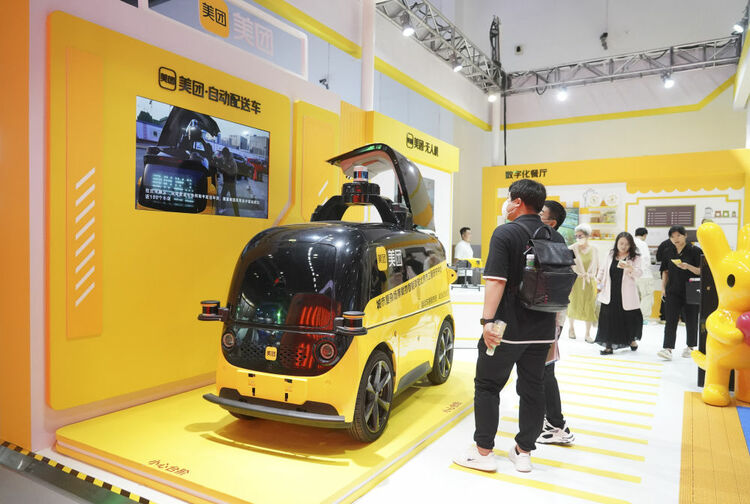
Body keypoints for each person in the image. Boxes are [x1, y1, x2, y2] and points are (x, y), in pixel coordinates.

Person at [453, 179, 563, 474]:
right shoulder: (554, 236)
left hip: (506, 328)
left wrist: (487, 321)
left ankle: (483, 452)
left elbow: (496, 281)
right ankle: (523, 452)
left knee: (488, 386)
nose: (506, 203)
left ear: (518, 202)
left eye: (509, 198)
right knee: (533, 388)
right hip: (542, 329)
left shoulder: (506, 233)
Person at [537, 200, 575, 445]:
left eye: (540, 213)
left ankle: (556, 425)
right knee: (541, 369)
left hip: (550, 317)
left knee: (545, 370)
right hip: (550, 315)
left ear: (551, 223)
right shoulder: (554, 243)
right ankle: (548, 419)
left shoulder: (553, 244)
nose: (536, 214)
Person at [657, 226, 702, 360]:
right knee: (670, 319)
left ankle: (690, 347)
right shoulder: (668, 251)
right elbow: (665, 271)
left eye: (678, 235)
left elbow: (701, 271)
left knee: (691, 319)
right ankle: (668, 349)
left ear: (685, 235)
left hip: (691, 289)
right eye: (672, 236)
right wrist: (663, 287)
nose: (675, 239)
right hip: (673, 290)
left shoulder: (695, 251)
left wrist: (688, 266)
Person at [595, 232, 644, 355]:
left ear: (631, 245)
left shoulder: (635, 257)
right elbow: (602, 271)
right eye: (621, 243)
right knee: (608, 319)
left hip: (626, 294)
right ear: (616, 243)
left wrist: (629, 267)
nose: (623, 246)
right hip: (609, 292)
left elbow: (639, 274)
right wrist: (598, 286)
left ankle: (631, 339)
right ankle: (608, 346)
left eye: (627, 244)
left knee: (628, 318)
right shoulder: (610, 254)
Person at [567, 223, 598, 342]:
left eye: (580, 236)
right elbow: (568, 265)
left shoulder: (594, 250)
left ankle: (587, 334)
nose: (578, 238)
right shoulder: (571, 248)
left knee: (589, 306)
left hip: (590, 281)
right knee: (573, 304)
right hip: (576, 281)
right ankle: (571, 329)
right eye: (576, 236)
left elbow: (597, 266)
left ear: (587, 236)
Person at [634, 227, 654, 321]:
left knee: (635, 297)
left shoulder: (630, 242)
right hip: (644, 275)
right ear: (645, 235)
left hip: (633, 275)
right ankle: (643, 318)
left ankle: (634, 317)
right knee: (647, 296)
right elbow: (646, 259)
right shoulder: (643, 244)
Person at [216, 147, 239, 216]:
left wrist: (221, 167)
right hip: (227, 181)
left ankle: (237, 214)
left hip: (230, 181)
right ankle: (225, 209)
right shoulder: (227, 158)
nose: (223, 156)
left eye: (223, 154)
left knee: (232, 197)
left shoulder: (230, 160)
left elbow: (227, 169)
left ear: (226, 154)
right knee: (224, 195)